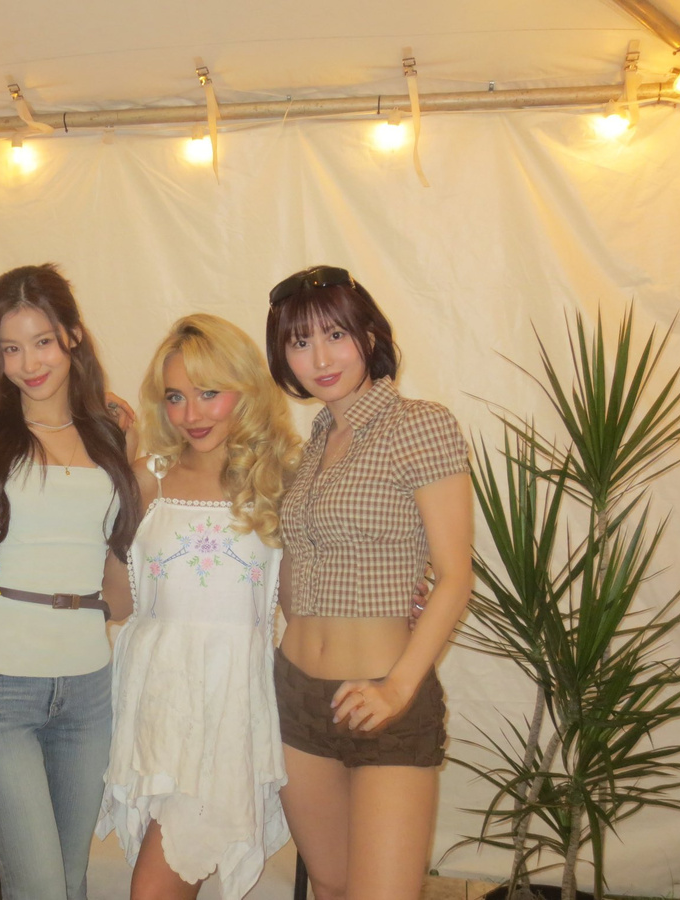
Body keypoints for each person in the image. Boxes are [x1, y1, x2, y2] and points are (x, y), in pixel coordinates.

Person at [0, 263, 139, 900]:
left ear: (72, 335)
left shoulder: (112, 435)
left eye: (42, 341)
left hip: (87, 686)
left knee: (68, 882)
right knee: (41, 887)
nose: (29, 363)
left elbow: (117, 573)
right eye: (11, 348)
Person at [264, 265, 473, 900]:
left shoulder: (420, 424)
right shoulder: (312, 444)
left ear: (370, 338)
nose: (320, 358)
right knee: (329, 886)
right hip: (297, 695)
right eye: (300, 342)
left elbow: (456, 576)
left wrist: (398, 689)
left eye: (335, 335)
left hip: (385, 697)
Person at [97, 314, 301, 900]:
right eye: (176, 397)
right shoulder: (147, 479)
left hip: (231, 707)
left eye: (209, 393)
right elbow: (118, 602)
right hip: (157, 705)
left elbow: (300, 602)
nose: (191, 414)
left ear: (247, 390)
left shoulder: (283, 478)